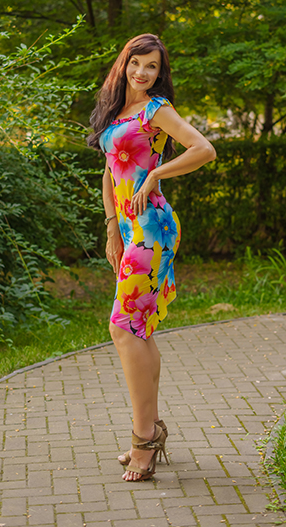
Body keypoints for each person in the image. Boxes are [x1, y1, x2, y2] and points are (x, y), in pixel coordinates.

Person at [87, 33, 216, 482]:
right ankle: (151, 428)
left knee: (123, 327)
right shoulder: (115, 112)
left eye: (152, 66)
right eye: (136, 63)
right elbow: (110, 172)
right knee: (137, 329)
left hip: (152, 227)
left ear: (160, 73)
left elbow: (204, 149)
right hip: (127, 227)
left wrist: (157, 173)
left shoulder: (155, 110)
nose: (142, 72)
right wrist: (111, 228)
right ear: (124, 64)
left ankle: (144, 439)